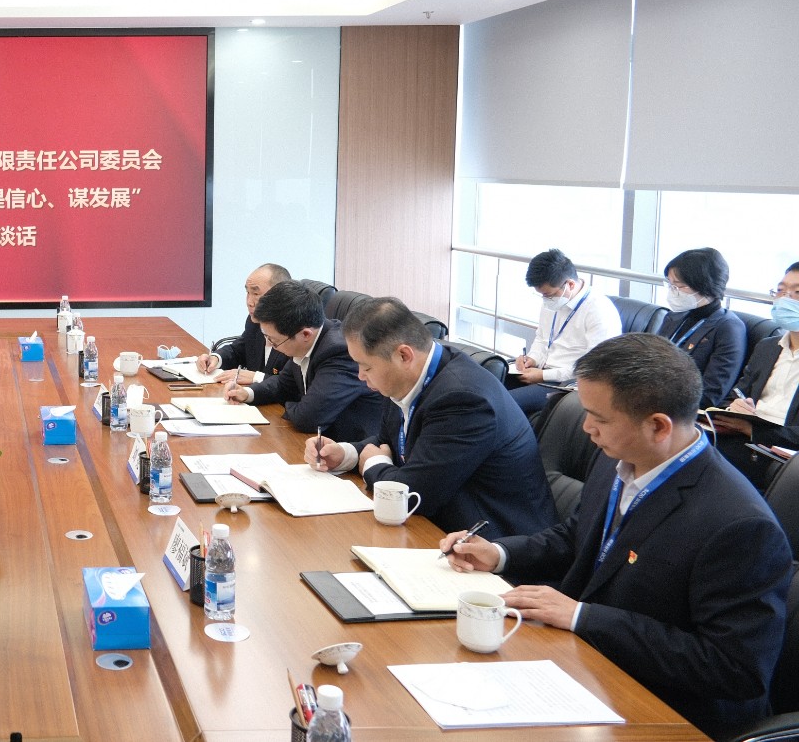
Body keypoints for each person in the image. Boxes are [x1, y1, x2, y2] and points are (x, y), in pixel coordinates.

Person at [443, 333, 790, 738]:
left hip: (663, 708)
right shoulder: (620, 458)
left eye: (599, 418)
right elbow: (579, 536)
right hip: (585, 668)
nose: (586, 427)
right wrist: (500, 553)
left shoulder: (740, 526)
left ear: (657, 426)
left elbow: (734, 669)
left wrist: (583, 617)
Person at [303, 297, 555, 538]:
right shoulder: (408, 377)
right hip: (439, 527)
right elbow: (387, 442)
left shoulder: (463, 400)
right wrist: (345, 454)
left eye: (366, 366)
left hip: (493, 541)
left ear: (404, 355)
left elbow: (413, 495)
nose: (360, 375)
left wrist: (372, 464)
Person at [223, 281, 386, 441]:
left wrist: (294, 405)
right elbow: (282, 384)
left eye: (274, 341)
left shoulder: (339, 352)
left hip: (350, 447)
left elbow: (308, 419)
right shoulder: (305, 343)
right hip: (317, 441)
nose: (272, 346)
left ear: (305, 334)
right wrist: (247, 393)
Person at [708, 262, 799, 487]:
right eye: (780, 290)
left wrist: (753, 430)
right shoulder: (768, 347)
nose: (785, 299)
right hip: (745, 442)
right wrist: (737, 406)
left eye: (797, 292)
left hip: (785, 457)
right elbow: (738, 393)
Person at [508, 249, 621, 416]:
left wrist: (543, 375)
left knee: (503, 403)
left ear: (570, 285)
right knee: (485, 389)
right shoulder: (553, 300)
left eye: (548, 295)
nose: (546, 300)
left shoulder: (599, 311)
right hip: (540, 372)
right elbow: (542, 338)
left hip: (565, 383)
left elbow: (593, 368)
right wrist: (532, 358)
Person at [660, 247, 746, 408]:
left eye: (679, 286)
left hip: (680, 409)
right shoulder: (673, 317)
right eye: (670, 285)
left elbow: (710, 394)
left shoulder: (729, 328)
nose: (673, 292)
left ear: (705, 286)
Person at [197, 263, 293, 384]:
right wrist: (216, 358)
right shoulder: (254, 322)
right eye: (248, 292)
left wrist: (256, 377)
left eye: (256, 294)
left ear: (280, 296)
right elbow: (239, 350)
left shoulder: (295, 331)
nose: (249, 302)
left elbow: (293, 384)